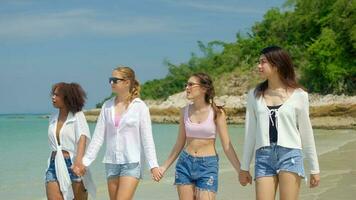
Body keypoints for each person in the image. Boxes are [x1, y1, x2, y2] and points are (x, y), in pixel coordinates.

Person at [239, 46, 320, 200]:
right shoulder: (254, 95)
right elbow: (250, 134)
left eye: (263, 62)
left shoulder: (299, 95)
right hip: (263, 157)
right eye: (259, 62)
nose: (259, 66)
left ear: (276, 65)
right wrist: (244, 167)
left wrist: (314, 168)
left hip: (290, 155)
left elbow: (306, 133)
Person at [76, 66, 162, 200]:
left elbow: (147, 139)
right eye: (110, 80)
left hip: (132, 162)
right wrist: (85, 162)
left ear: (127, 82)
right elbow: (98, 138)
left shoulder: (140, 107)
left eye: (115, 80)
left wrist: (153, 165)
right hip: (111, 162)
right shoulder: (107, 106)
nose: (111, 83)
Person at [159, 72, 241, 200]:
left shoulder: (217, 112)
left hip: (208, 166)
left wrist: (240, 170)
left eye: (191, 85)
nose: (187, 87)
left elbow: (226, 145)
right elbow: (179, 143)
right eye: (186, 84)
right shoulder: (184, 111)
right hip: (185, 164)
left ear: (204, 88)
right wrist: (164, 167)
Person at [45, 82, 95, 200]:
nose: (53, 97)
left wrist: (79, 161)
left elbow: (82, 137)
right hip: (54, 163)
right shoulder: (52, 118)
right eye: (53, 94)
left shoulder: (77, 115)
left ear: (67, 98)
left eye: (57, 95)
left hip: (72, 163)